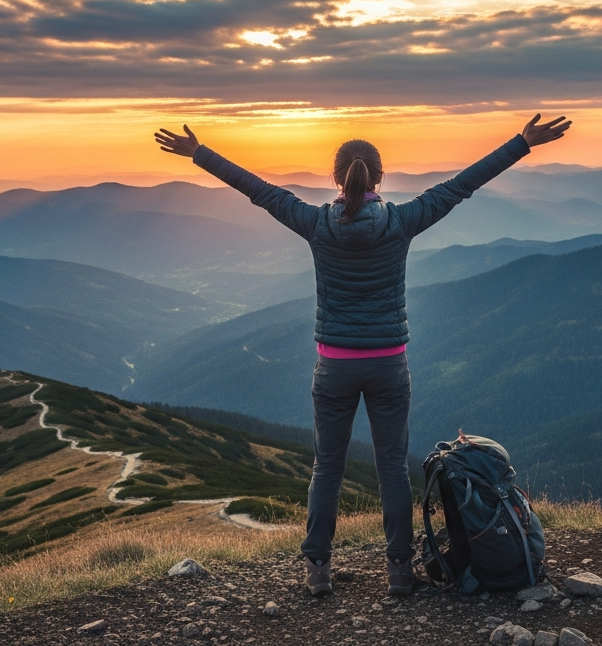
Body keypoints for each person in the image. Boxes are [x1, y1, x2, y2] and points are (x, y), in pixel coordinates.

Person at [153, 112, 571, 596]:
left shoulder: (314, 223)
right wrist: (521, 143)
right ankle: (398, 571)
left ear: (335, 178)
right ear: (379, 178)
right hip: (389, 365)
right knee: (391, 467)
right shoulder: (400, 222)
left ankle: (317, 570)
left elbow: (257, 189)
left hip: (333, 367)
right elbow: (462, 185)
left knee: (325, 468)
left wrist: (199, 153)